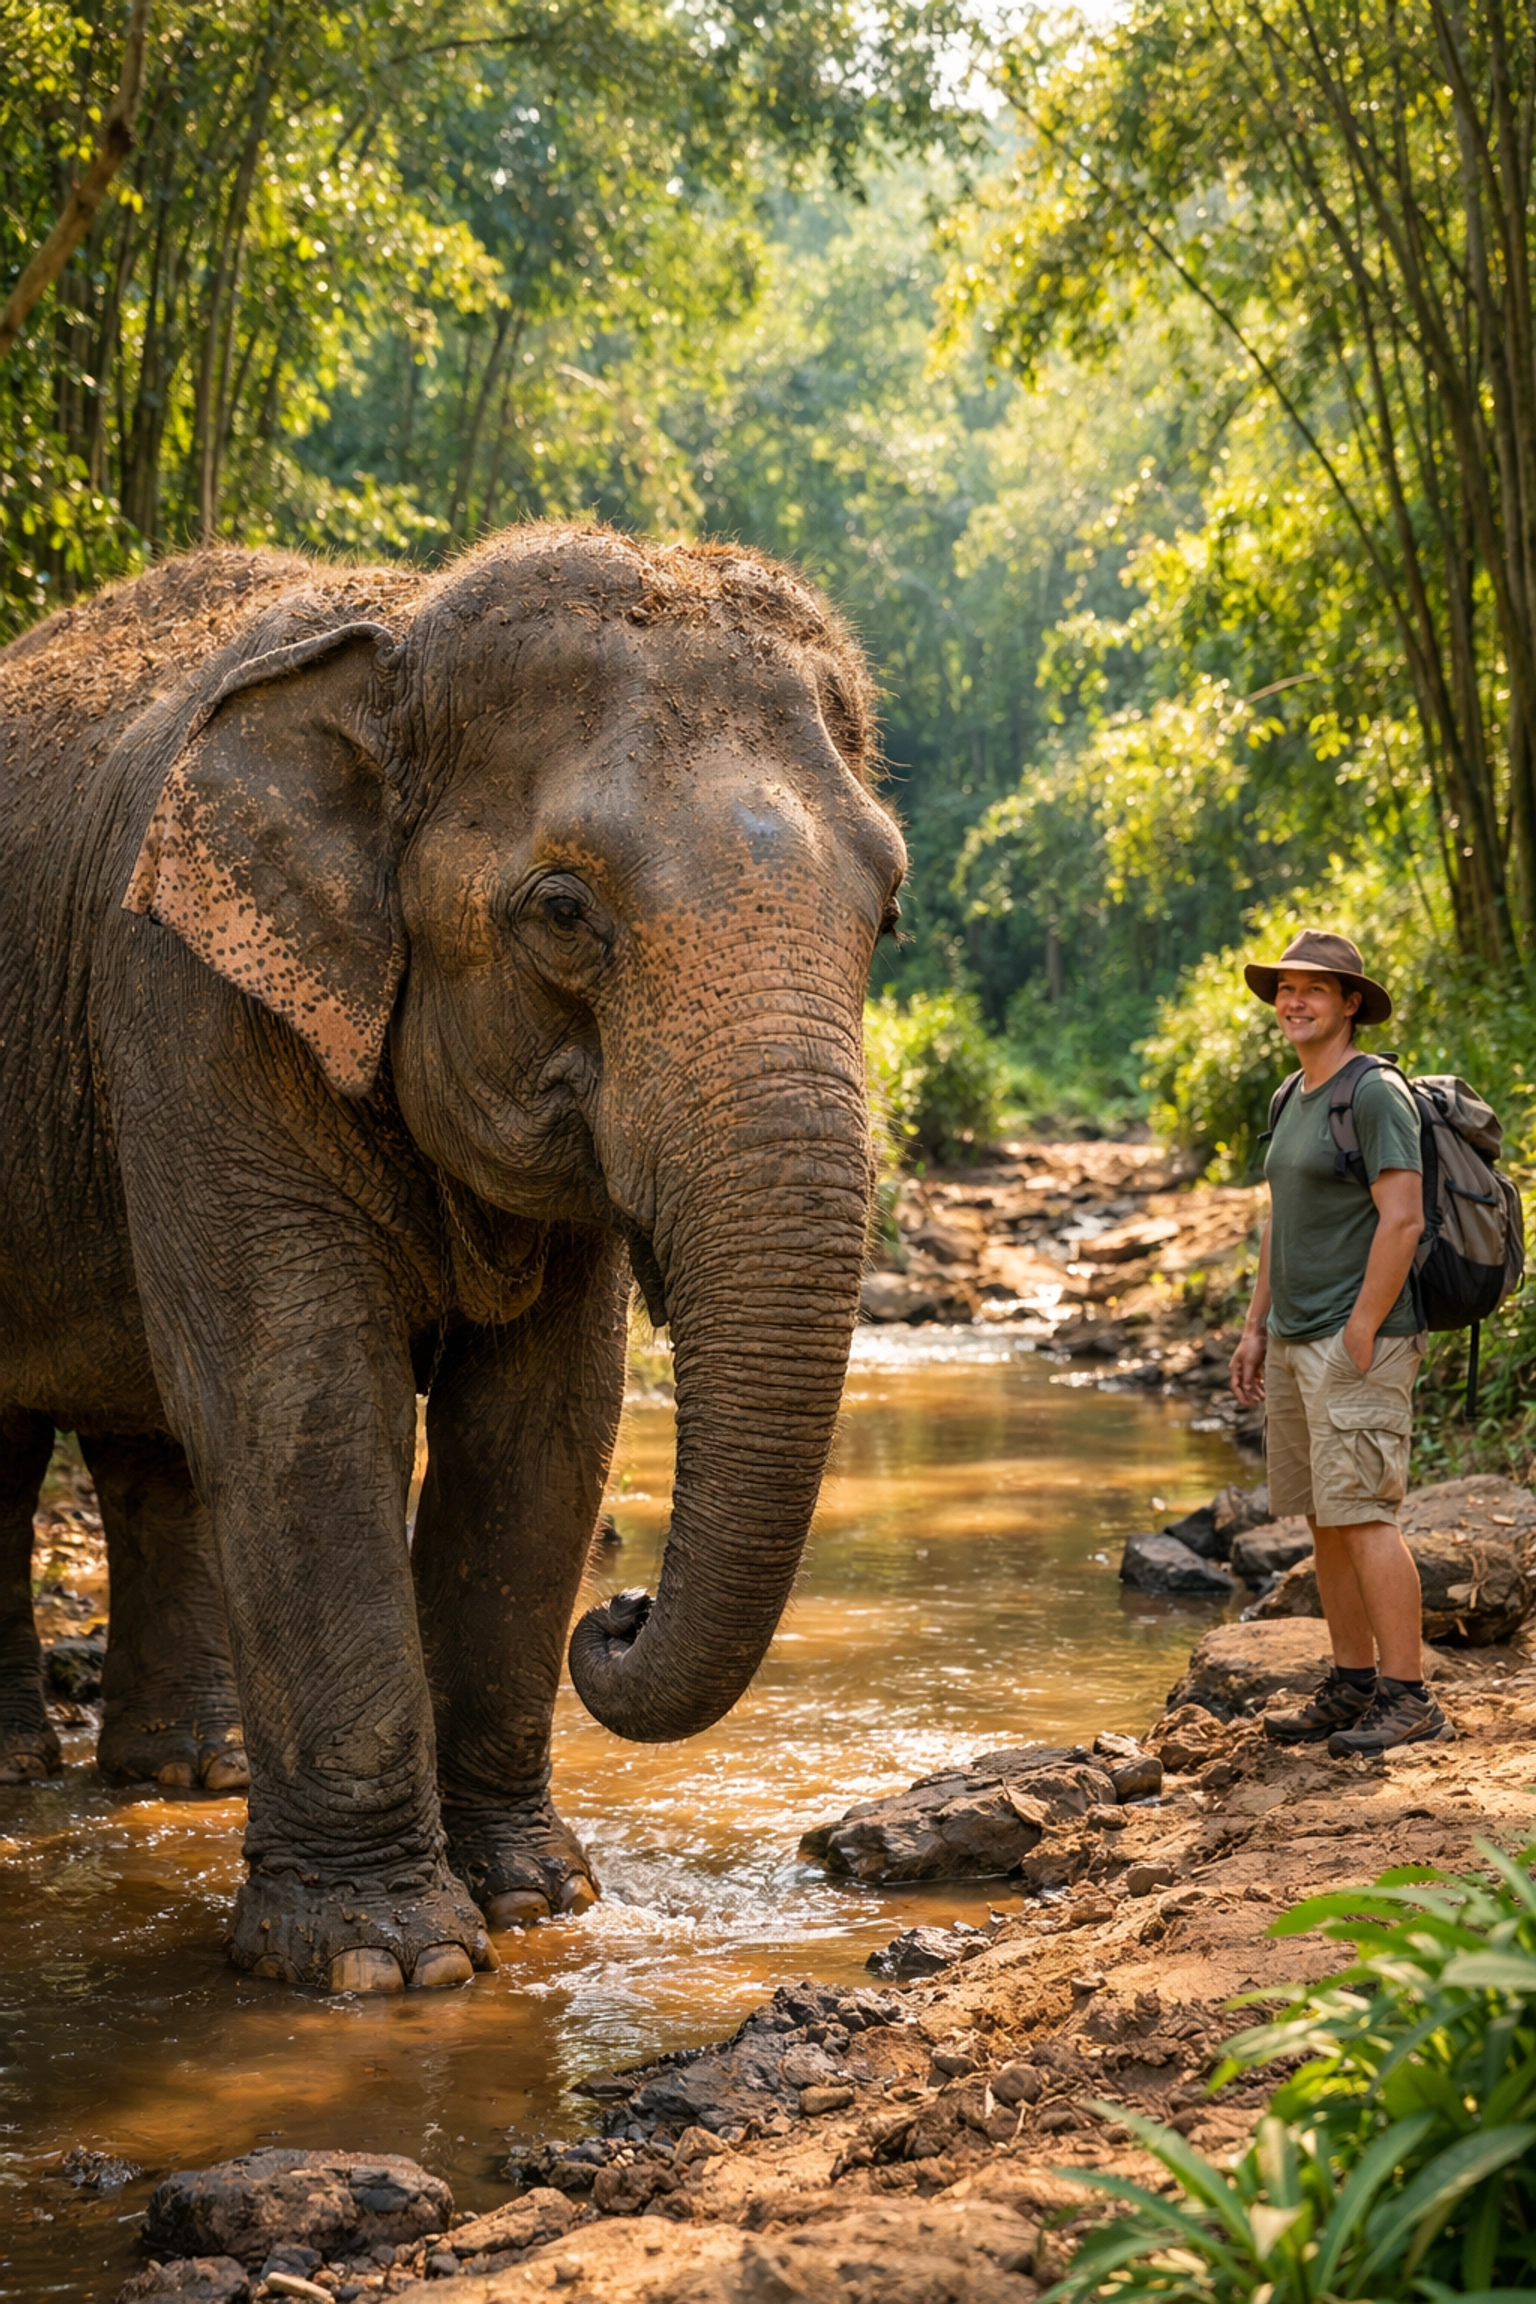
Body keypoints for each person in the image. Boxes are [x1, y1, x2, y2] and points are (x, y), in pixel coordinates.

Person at [1228, 929, 1453, 1756]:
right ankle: (1352, 1684)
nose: (1294, 1002)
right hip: (1293, 1337)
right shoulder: (1294, 1094)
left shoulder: (1374, 1094)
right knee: (1324, 1518)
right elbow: (1280, 1219)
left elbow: (1404, 1218)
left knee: (1364, 1515)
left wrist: (1361, 1324)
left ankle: (1409, 1696)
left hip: (1360, 1338)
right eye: (1285, 988)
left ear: (1350, 1003)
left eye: (1313, 989)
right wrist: (1255, 1329)